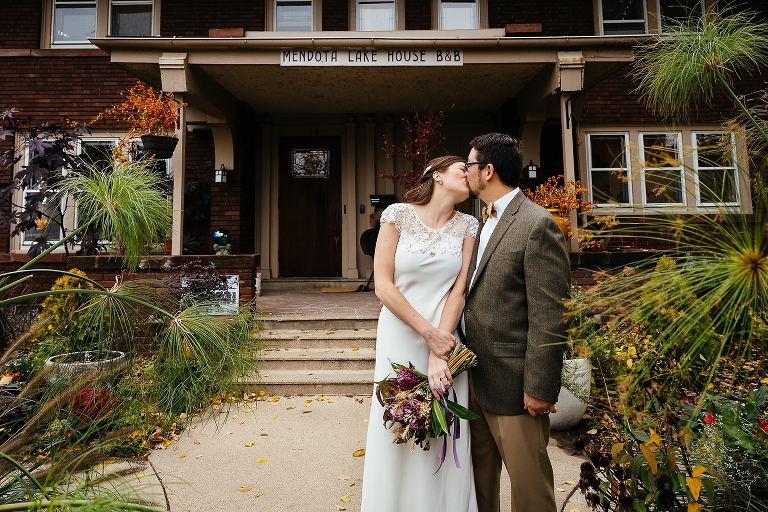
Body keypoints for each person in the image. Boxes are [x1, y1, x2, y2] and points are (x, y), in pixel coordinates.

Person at [360, 155, 479, 512]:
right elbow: (383, 285)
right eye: (463, 169)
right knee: (397, 421)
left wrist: (439, 348)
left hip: (446, 338)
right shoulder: (396, 215)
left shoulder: (469, 225)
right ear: (438, 176)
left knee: (443, 425)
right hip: (401, 332)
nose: (470, 175)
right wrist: (427, 334)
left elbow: (459, 292)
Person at [462, 133, 570, 512]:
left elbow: (549, 313)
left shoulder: (537, 224)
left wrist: (540, 387)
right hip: (473, 379)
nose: (465, 172)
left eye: (470, 165)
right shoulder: (479, 222)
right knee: (479, 489)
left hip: (515, 385)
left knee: (530, 493)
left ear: (488, 171)